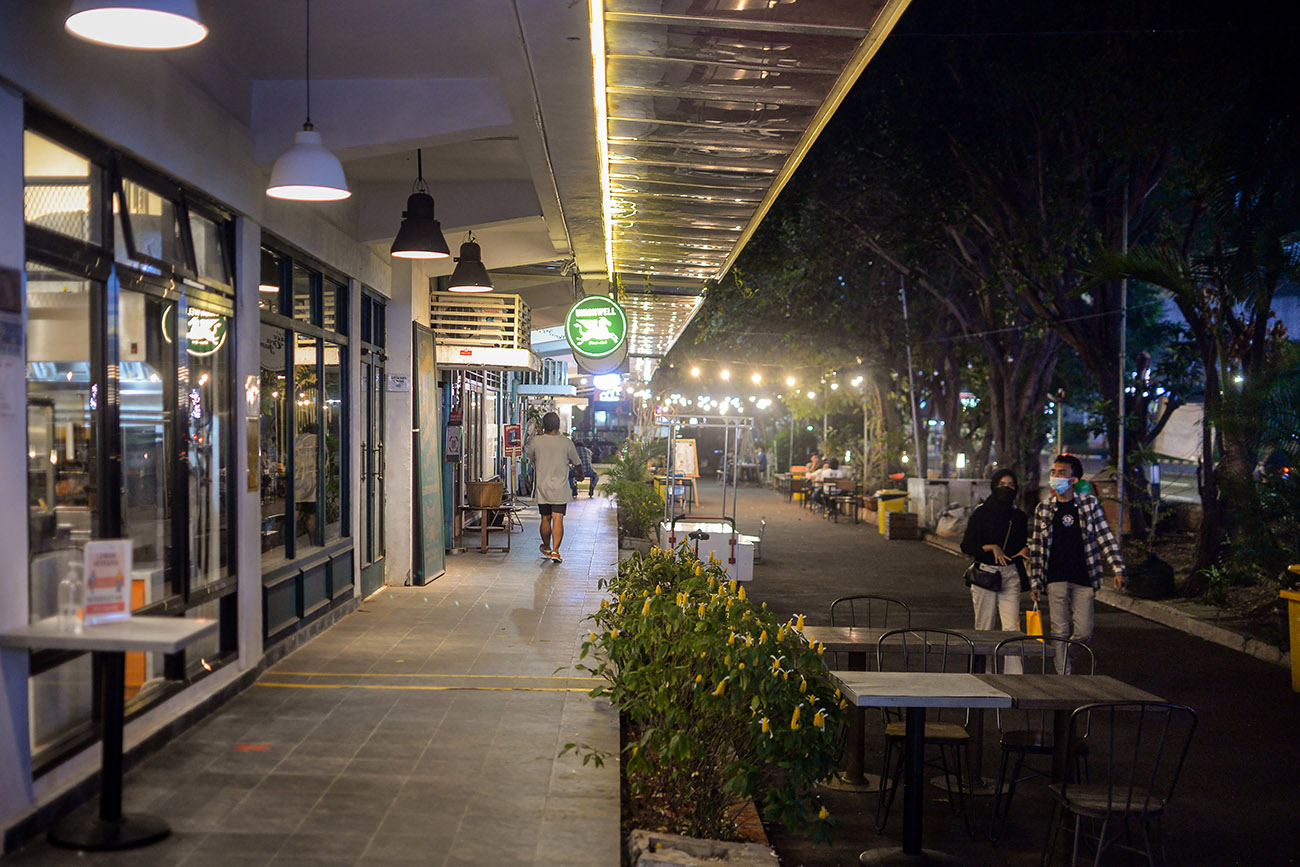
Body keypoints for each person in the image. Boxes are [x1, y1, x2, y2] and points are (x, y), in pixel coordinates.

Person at [1028, 454, 1126, 673]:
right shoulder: (1044, 508)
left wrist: (1118, 569)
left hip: (1084, 576)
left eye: (1062, 473)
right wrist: (1035, 582)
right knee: (1059, 631)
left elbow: (1105, 537)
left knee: (1084, 632)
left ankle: (1064, 656)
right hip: (1055, 577)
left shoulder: (1089, 504)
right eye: (1054, 472)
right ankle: (1064, 675)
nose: (1056, 477)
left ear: (1074, 480)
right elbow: (1037, 548)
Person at [961, 470, 1029, 671]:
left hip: (1010, 574)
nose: (1006, 489)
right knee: (985, 628)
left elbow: (1020, 544)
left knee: (1012, 629)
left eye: (1011, 485)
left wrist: (1024, 551)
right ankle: (985, 674)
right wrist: (991, 547)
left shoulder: (1019, 516)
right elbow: (966, 546)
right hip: (985, 575)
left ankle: (1014, 676)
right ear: (994, 486)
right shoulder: (981, 513)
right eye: (1002, 484)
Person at [525, 411, 581, 563]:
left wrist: (538, 435)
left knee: (545, 518)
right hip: (560, 488)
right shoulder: (566, 442)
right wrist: (580, 474)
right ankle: (556, 551)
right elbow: (577, 462)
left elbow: (529, 454)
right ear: (558, 425)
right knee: (558, 518)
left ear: (544, 425)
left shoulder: (537, 441)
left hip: (542, 487)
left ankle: (547, 547)